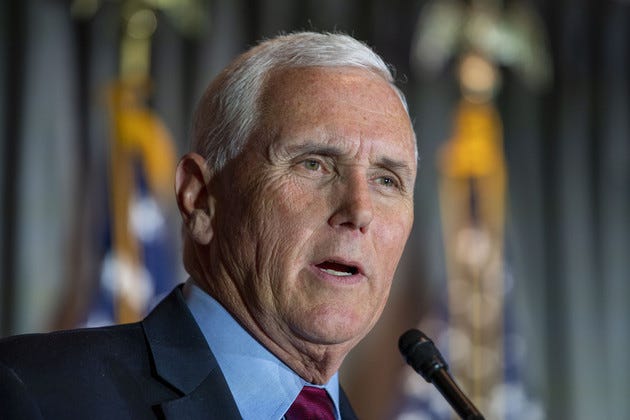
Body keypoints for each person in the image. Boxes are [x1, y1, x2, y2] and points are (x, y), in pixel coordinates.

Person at [0, 31, 417, 419]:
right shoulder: (30, 393)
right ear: (199, 198)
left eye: (387, 180)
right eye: (313, 163)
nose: (359, 210)